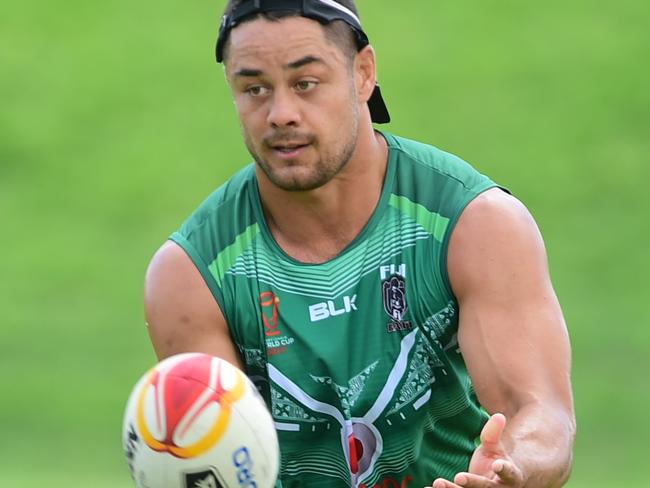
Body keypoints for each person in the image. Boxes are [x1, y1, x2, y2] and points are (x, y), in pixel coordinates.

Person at [144, 1, 575, 487]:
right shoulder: (191, 275)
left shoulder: (474, 224)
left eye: (306, 83)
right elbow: (220, 463)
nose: (281, 114)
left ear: (363, 73)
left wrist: (508, 470)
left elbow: (540, 414)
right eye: (255, 89)